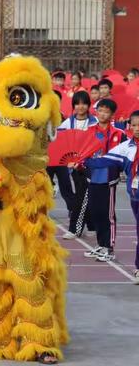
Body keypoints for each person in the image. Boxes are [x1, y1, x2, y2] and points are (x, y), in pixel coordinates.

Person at [84, 110, 139, 283]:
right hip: (136, 197)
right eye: (134, 125)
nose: (137, 128)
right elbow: (103, 160)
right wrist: (82, 161)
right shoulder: (126, 148)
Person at [80, 99, 125, 262]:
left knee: (108, 215)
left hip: (109, 179)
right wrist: (79, 163)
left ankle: (109, 248)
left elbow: (123, 156)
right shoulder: (89, 131)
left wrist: (120, 170)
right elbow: (82, 153)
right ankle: (101, 244)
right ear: (96, 112)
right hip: (92, 177)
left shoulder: (119, 134)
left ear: (112, 114)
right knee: (96, 212)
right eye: (100, 111)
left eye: (106, 111)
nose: (102, 114)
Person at [58, 91, 98, 239]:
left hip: (92, 165)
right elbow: (60, 141)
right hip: (74, 167)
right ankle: (86, 227)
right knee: (82, 196)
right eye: (77, 103)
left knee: (85, 196)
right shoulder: (68, 123)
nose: (80, 106)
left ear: (88, 105)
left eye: (84, 103)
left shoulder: (95, 122)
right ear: (73, 105)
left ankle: (80, 228)